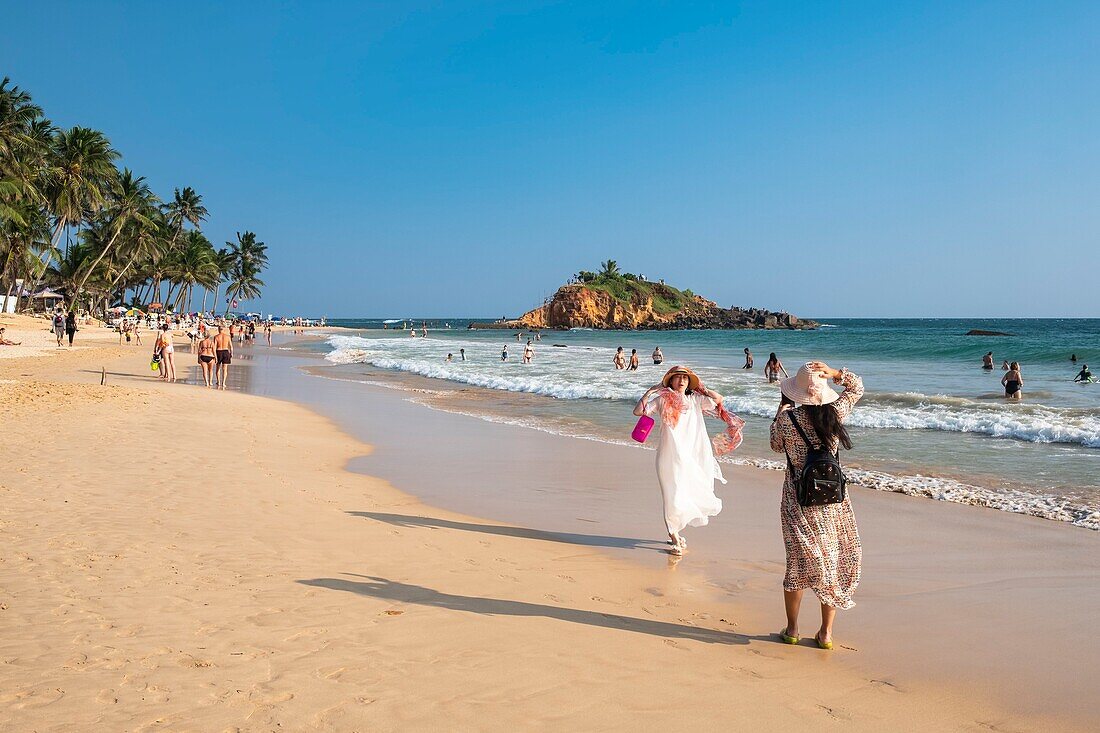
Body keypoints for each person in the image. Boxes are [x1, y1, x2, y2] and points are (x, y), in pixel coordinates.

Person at [770, 361, 864, 651]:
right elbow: (857, 388)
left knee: (797, 563)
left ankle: (793, 629)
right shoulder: (834, 413)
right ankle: (826, 634)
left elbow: (775, 446)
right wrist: (836, 374)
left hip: (797, 498)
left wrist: (780, 413)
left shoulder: (787, 420)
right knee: (832, 561)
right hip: (831, 500)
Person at [633, 366, 740, 555]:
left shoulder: (695, 400)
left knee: (686, 491)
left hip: (692, 455)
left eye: (685, 378)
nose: (682, 380)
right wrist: (651, 391)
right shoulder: (662, 400)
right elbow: (638, 412)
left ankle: (675, 530)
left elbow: (718, 399)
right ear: (671, 381)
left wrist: (703, 389)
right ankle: (674, 535)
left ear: (689, 383)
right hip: (668, 454)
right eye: (677, 377)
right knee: (671, 494)